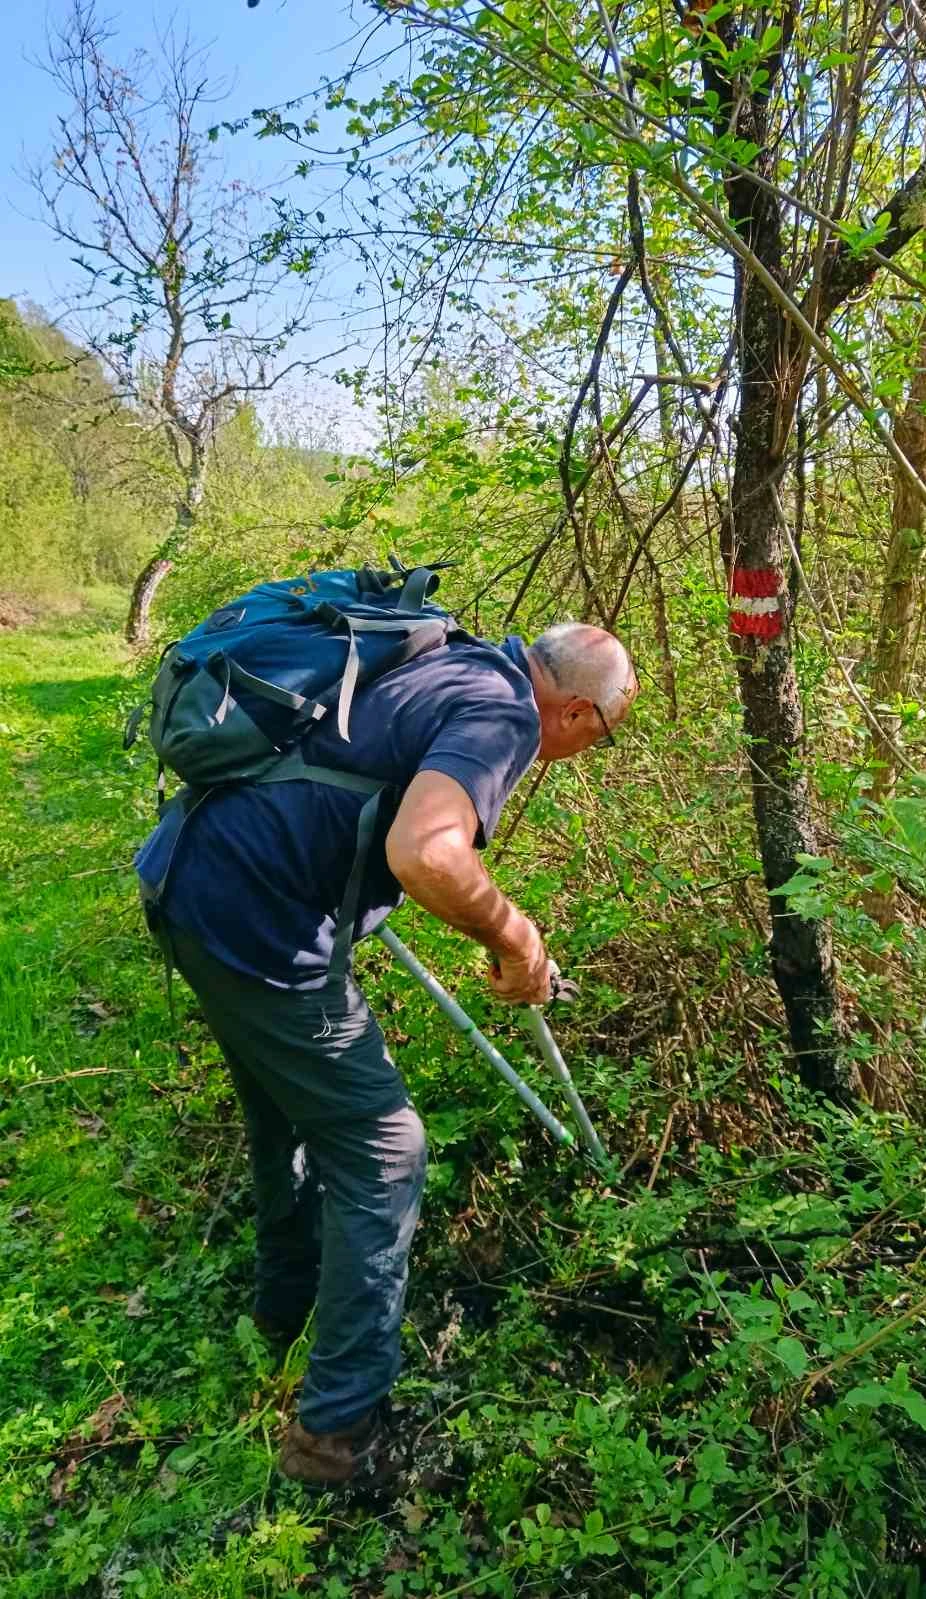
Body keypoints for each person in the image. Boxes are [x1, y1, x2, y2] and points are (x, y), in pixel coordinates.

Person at [135, 617, 638, 1487]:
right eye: (608, 729)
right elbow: (425, 852)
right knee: (385, 1148)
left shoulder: (454, 660)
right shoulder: (504, 713)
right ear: (580, 715)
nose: (597, 745)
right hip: (259, 929)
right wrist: (517, 938)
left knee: (288, 1112)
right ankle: (338, 1436)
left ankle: (281, 1312)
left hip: (190, 884)